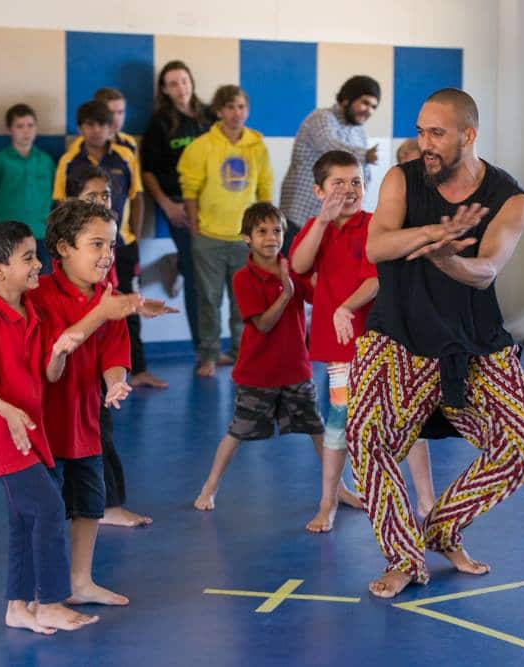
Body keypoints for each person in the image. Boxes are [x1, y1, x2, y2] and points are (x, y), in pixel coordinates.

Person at [346, 89, 524, 598]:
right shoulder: (402, 178)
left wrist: (440, 255)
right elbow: (377, 244)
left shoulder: (511, 197)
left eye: (436, 133)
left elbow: (483, 272)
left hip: (473, 343)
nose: (425, 143)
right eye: (420, 131)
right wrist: (432, 235)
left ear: (468, 135)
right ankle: (402, 555)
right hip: (398, 335)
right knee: (365, 437)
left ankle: (440, 528)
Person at [0, 221, 99, 634]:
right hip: (4, 440)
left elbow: (48, 375)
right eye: (28, 258)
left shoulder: (31, 312)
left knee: (23, 521)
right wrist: (10, 412)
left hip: (33, 437)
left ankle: (17, 607)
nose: (40, 264)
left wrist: (59, 352)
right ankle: (50, 602)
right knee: (50, 508)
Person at [290, 150, 433, 532]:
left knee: (407, 418)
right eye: (339, 183)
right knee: (338, 421)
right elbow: (300, 265)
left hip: (383, 339)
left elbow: (377, 279)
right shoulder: (314, 228)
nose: (350, 190)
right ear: (319, 191)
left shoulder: (375, 226)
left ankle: (427, 501)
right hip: (341, 348)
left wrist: (345, 308)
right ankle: (328, 501)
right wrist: (321, 222)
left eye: (357, 182)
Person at [28, 199, 140, 606]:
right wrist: (102, 312)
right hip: (45, 426)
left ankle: (81, 581)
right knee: (48, 512)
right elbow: (51, 361)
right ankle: (46, 591)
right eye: (96, 245)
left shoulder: (107, 295)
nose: (107, 255)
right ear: (62, 249)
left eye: (110, 245)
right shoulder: (39, 294)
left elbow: (114, 353)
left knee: (90, 505)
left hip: (85, 424)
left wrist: (115, 383)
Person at [193, 203, 325, 512]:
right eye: (262, 231)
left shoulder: (292, 268)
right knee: (237, 432)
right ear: (247, 239)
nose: (271, 238)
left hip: (296, 370)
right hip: (258, 374)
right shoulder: (243, 279)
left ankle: (339, 489)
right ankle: (209, 487)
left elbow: (317, 296)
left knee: (318, 430)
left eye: (277, 230)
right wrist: (286, 294)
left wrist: (321, 276)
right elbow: (263, 324)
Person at [67, 165, 166, 528]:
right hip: (72, 364)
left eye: (106, 195)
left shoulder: (108, 252)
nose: (101, 202)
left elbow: (105, 301)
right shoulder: (65, 258)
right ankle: (95, 506)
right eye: (92, 196)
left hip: (96, 360)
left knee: (98, 432)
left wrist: (136, 303)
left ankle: (105, 505)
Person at [54, 100, 163, 388]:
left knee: (125, 306)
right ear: (80, 128)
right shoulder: (69, 161)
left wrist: (132, 238)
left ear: (111, 127)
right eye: (89, 124)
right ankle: (79, 372)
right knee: (83, 309)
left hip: (122, 245)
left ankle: (134, 370)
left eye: (102, 124)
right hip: (82, 249)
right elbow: (59, 205)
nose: (95, 131)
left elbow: (137, 196)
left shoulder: (125, 156)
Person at [179, 85, 273, 378]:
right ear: (219, 111)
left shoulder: (257, 145)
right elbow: (190, 191)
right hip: (208, 237)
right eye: (230, 107)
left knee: (243, 302)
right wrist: (195, 229)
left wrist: (264, 233)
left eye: (242, 107)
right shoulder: (201, 146)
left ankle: (240, 353)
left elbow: (264, 190)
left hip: (245, 240)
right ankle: (208, 355)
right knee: (208, 300)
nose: (237, 113)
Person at [141, 61, 210, 350]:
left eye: (184, 80)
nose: (180, 88)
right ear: (164, 90)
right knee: (197, 276)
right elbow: (148, 171)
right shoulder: (160, 123)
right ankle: (203, 348)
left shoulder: (209, 117)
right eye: (173, 83)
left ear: (192, 81)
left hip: (211, 204)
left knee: (215, 267)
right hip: (179, 205)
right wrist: (166, 205)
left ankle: (176, 262)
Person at [280, 76, 381, 253]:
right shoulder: (322, 118)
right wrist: (364, 155)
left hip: (334, 222)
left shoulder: (359, 133)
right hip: (300, 218)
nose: (369, 111)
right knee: (295, 276)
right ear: (347, 99)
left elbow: (361, 175)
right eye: (365, 103)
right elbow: (330, 147)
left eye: (374, 106)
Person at [0, 104, 56, 272]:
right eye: (19, 126)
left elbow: (56, 194)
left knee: (43, 282)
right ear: (9, 130)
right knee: (12, 283)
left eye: (30, 125)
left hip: (41, 234)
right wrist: (1, 213)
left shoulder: (45, 161)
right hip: (8, 236)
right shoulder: (0, 160)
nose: (26, 131)